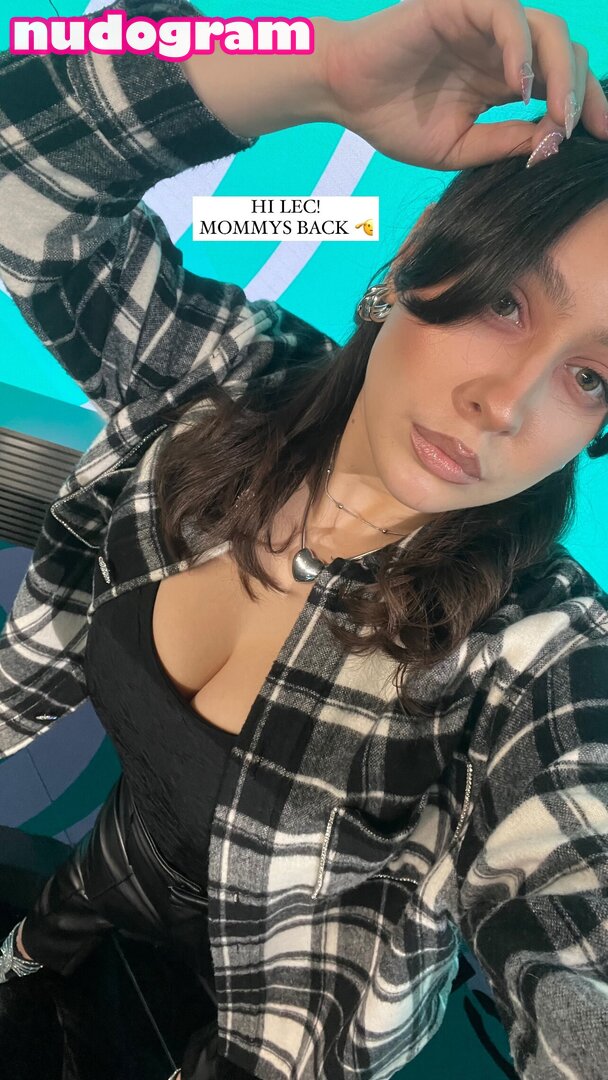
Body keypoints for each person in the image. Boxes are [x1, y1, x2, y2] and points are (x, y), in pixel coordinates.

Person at [1, 0, 608, 1077]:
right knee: (53, 937)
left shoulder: (536, 654)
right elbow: (24, 175)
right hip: (105, 868)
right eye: (508, 304)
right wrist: (320, 74)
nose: (504, 403)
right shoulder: (217, 381)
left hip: (288, 1030)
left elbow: (578, 927)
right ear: (413, 261)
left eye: (590, 376)